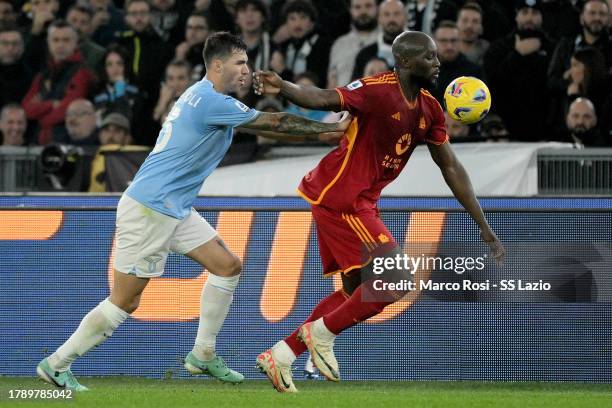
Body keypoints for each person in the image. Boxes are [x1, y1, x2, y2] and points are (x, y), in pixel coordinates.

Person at [36, 31, 351, 391]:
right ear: (217, 65)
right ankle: (57, 364)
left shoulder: (204, 96)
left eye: (247, 62)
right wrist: (330, 131)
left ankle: (202, 354)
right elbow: (275, 123)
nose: (247, 69)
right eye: (240, 63)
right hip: (151, 208)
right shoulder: (209, 101)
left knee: (228, 266)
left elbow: (259, 118)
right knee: (125, 300)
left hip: (173, 207)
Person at [253, 30, 506, 393]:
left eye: (437, 57)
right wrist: (285, 86)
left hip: (358, 200)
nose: (437, 63)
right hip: (342, 196)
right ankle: (319, 334)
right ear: (404, 61)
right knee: (398, 279)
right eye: (429, 57)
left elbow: (451, 168)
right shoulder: (376, 89)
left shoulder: (430, 109)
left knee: (355, 289)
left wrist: (483, 225)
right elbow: (325, 98)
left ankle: (281, 355)